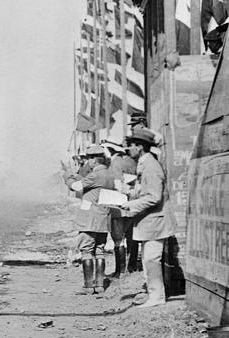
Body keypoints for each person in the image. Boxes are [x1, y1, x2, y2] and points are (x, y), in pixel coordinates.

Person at [119, 128, 177, 308]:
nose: (129, 149)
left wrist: (131, 205)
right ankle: (154, 295)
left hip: (155, 221)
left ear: (141, 147)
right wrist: (128, 193)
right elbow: (145, 191)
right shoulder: (145, 163)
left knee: (151, 260)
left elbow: (154, 197)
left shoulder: (150, 166)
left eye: (132, 146)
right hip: (150, 221)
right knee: (148, 260)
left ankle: (157, 297)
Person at [65, 145, 115, 295]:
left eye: (88, 160)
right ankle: (99, 286)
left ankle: (88, 287)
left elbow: (75, 186)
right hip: (103, 218)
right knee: (99, 251)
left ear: (94, 160)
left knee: (87, 251)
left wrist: (68, 175)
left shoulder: (95, 176)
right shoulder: (108, 174)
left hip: (89, 219)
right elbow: (89, 184)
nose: (88, 163)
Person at [103, 136, 138, 277]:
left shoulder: (116, 163)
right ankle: (132, 268)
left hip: (119, 205)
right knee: (132, 237)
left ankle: (120, 271)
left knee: (118, 239)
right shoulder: (132, 162)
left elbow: (117, 185)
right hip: (134, 205)